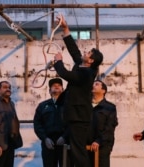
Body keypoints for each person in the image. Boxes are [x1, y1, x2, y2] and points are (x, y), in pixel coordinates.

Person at [53, 15, 104, 167]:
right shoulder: (82, 66)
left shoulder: (87, 73)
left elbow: (66, 75)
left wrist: (58, 62)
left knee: (78, 151)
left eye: (88, 53)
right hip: (75, 116)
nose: (85, 53)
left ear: (91, 60)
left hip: (79, 117)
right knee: (75, 150)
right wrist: (65, 28)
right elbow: (74, 51)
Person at [33, 78, 68, 167]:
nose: (56, 86)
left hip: (65, 142)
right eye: (53, 86)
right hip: (48, 142)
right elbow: (37, 124)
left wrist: (65, 137)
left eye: (59, 85)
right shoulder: (43, 106)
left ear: (63, 90)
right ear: (49, 90)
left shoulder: (68, 105)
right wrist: (45, 138)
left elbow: (73, 124)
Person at [88, 80, 118, 167]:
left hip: (103, 146)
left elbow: (110, 127)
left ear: (103, 90)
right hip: (87, 145)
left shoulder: (110, 107)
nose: (93, 86)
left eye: (96, 84)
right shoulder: (86, 106)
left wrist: (98, 141)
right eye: (92, 84)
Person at [0, 81, 23, 167]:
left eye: (9, 87)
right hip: (0, 144)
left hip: (10, 143)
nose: (8, 89)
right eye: (5, 87)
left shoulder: (12, 104)